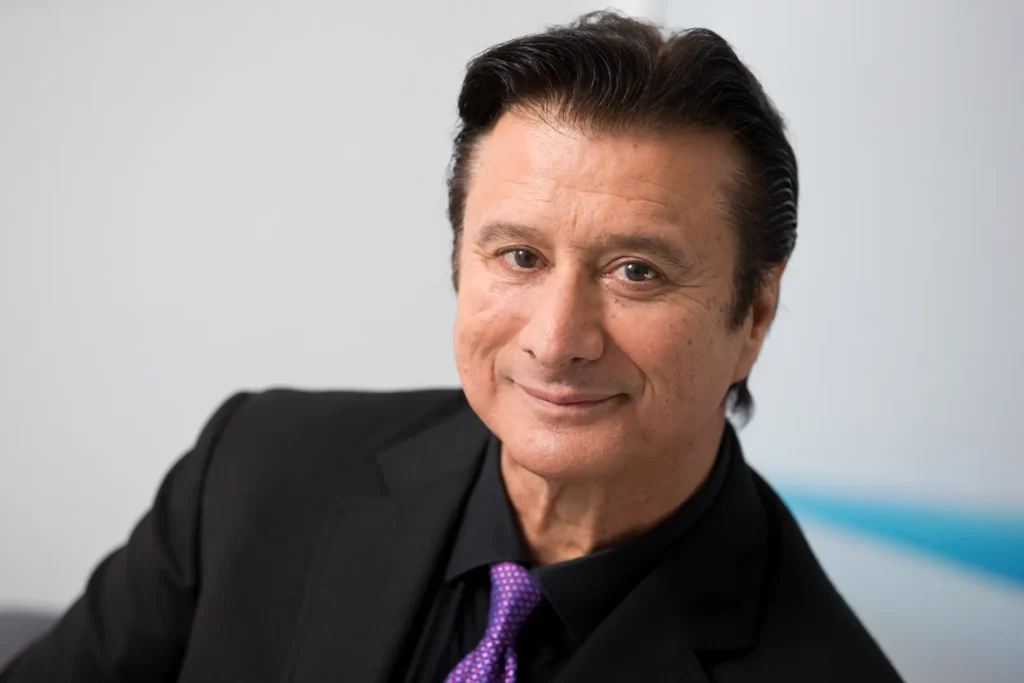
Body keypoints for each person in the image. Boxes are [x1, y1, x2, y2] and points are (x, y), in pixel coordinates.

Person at [0, 11, 903, 683]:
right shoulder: (252, 473)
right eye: (520, 257)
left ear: (755, 312)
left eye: (637, 271)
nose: (557, 339)